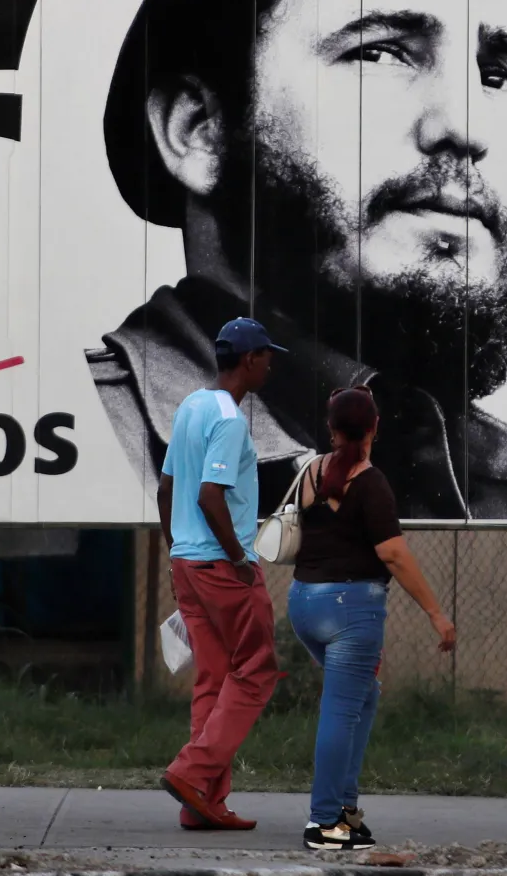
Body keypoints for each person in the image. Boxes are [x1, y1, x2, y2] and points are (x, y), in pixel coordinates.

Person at [89, 0, 507, 523]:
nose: (467, 126)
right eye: (381, 51)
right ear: (199, 131)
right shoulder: (90, 439)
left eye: (498, 76)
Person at [288, 386, 457, 851]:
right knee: (342, 708)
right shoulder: (370, 482)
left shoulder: (311, 472)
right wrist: (437, 613)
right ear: (375, 428)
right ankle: (324, 823)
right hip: (351, 611)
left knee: (362, 697)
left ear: (331, 428)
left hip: (304, 603)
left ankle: (345, 814)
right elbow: (393, 554)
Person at [156, 317, 285, 830]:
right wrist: (238, 558)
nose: (270, 365)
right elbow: (212, 496)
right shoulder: (231, 420)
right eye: (267, 357)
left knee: (213, 678)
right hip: (219, 563)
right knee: (256, 670)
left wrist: (176, 550)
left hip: (188, 563)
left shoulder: (192, 405)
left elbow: (167, 489)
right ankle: (190, 772)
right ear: (250, 360)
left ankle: (201, 803)